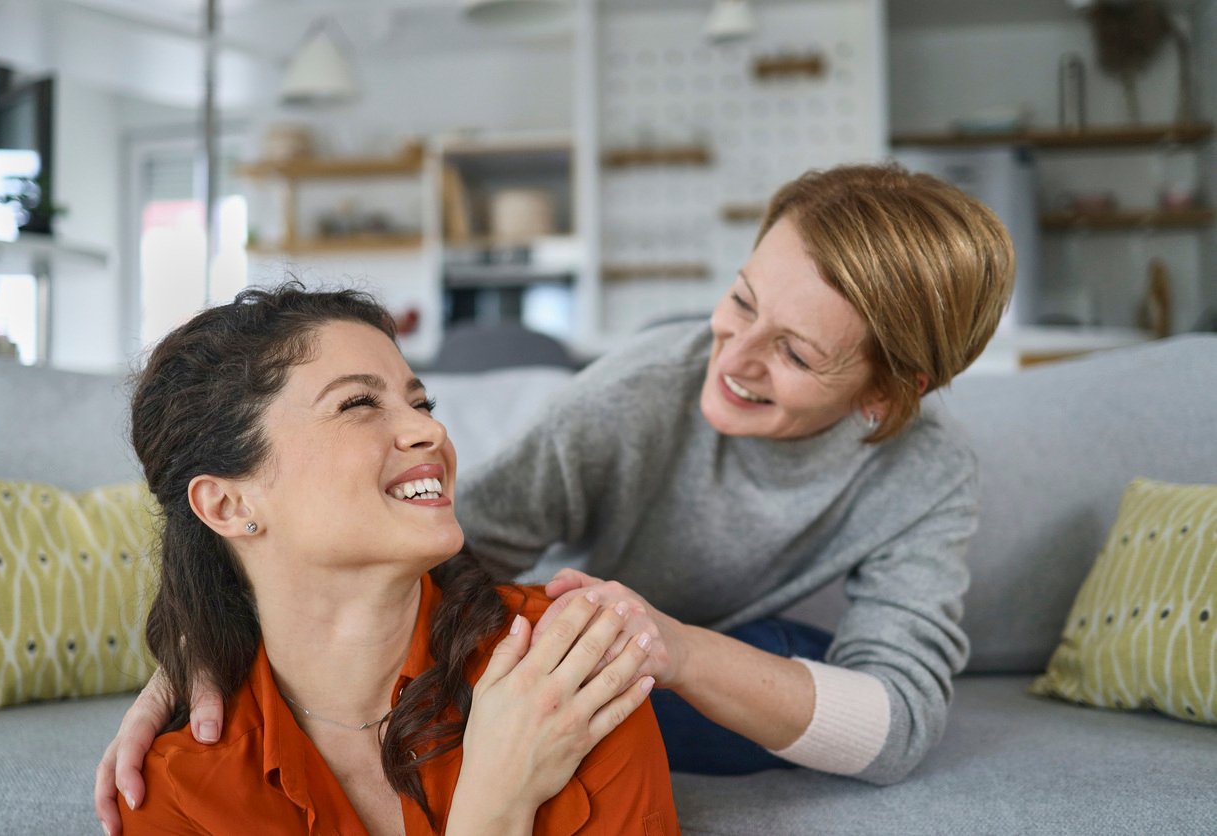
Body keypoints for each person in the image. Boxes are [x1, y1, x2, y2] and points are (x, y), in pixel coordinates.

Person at [98, 161, 1014, 823]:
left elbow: (897, 723)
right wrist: (210, 645)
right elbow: (438, 541)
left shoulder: (925, 472)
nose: (733, 359)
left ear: (888, 393)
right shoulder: (636, 397)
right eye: (741, 303)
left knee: (739, 660)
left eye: (797, 353)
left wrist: (669, 650)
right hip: (591, 627)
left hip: (676, 652)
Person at [110, 284, 678, 835]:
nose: (430, 429)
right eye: (358, 403)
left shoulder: (566, 662)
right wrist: (496, 806)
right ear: (229, 504)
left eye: (420, 402)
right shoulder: (177, 788)